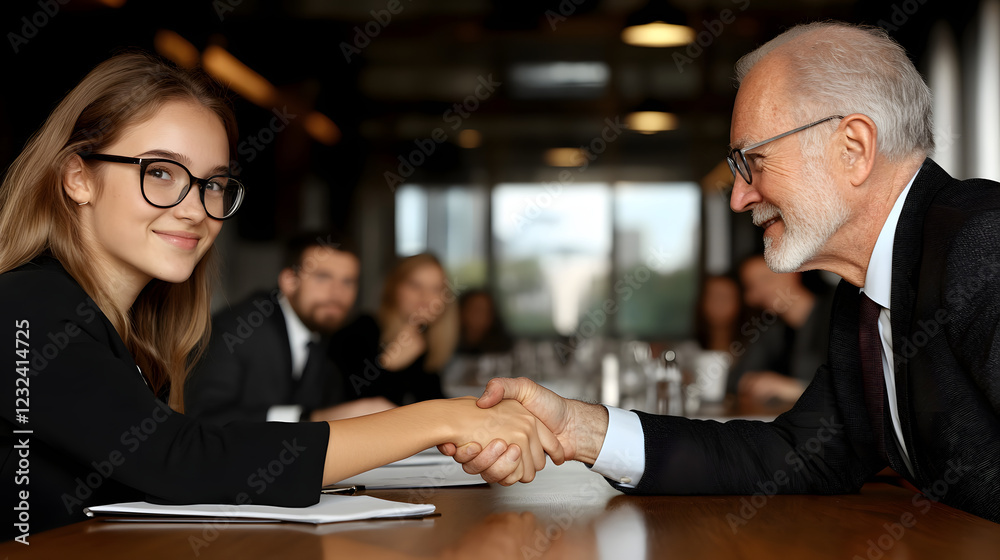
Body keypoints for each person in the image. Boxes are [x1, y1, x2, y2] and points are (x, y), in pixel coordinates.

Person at [444, 21, 1000, 525]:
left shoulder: (983, 242)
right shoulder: (863, 296)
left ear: (853, 147)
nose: (739, 198)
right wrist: (580, 430)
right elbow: (792, 456)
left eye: (753, 162)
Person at [0, 51, 560, 539]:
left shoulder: (130, 331)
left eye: (213, 183)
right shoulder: (28, 309)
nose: (195, 208)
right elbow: (177, 459)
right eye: (162, 172)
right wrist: (444, 419)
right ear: (78, 177)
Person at [184, 231, 395, 425]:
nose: (337, 293)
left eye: (348, 282)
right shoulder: (238, 329)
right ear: (289, 281)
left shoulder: (326, 332)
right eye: (323, 277)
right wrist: (311, 418)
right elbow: (202, 418)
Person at [333, 252, 459, 406]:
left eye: (436, 289)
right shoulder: (362, 330)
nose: (426, 297)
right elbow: (345, 403)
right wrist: (388, 364)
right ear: (394, 288)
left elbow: (433, 403)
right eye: (415, 285)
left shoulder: (424, 342)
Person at [727, 254, 833, 405]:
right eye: (751, 286)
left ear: (794, 273)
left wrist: (795, 389)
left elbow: (856, 387)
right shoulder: (770, 329)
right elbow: (737, 379)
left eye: (766, 280)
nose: (760, 292)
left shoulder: (837, 316)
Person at [457, 288, 514, 355]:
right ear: (461, 312)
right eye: (477, 310)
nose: (483, 316)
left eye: (488, 311)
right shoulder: (450, 346)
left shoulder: (503, 347)